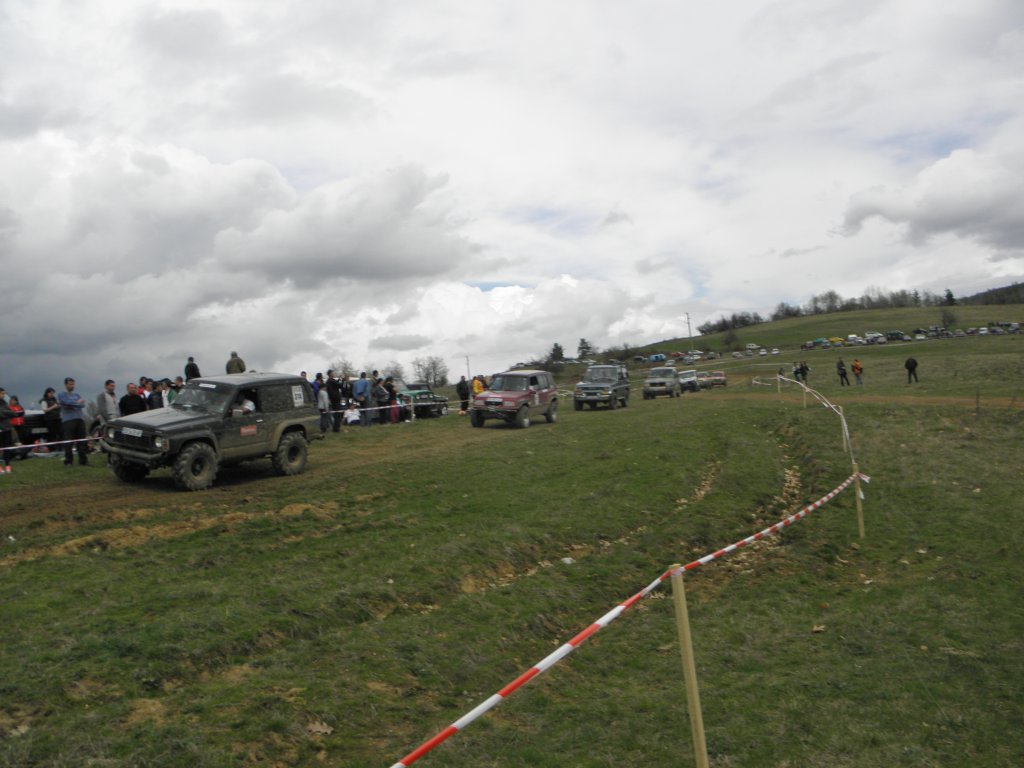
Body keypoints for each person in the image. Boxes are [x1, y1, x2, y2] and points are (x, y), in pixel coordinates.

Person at [57, 377, 89, 466]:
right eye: (70, 384)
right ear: (66, 385)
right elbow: (66, 403)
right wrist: (77, 403)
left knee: (82, 441)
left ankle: (83, 461)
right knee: (68, 442)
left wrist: (75, 404)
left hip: (80, 419)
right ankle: (68, 461)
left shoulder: (77, 395)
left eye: (73, 384)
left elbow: (82, 405)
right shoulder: (61, 394)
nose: (72, 386)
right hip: (68, 420)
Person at [0, 387, 16, 472]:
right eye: (2, 393)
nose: (4, 395)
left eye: (4, 394)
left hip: (7, 427)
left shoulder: (5, 402)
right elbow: (2, 413)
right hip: (0, 428)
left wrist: (8, 413)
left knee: (7, 447)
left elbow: (11, 413)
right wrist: (8, 413)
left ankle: (7, 465)